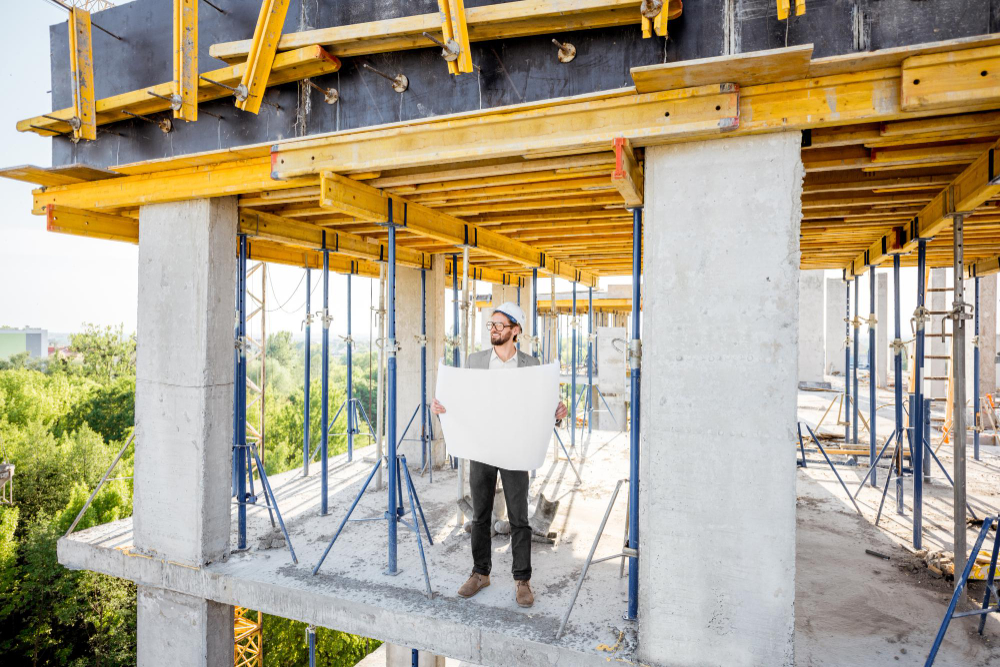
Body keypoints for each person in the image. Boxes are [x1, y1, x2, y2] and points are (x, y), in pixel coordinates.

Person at [431, 302, 568, 608]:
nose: (492, 331)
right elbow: (463, 401)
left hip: (516, 447)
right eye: (490, 326)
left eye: (499, 326)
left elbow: (545, 410)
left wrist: (558, 413)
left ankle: (522, 580)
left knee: (519, 517)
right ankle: (480, 573)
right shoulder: (476, 361)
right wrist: (442, 409)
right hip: (482, 446)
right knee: (480, 515)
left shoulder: (532, 367)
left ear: (515, 330)